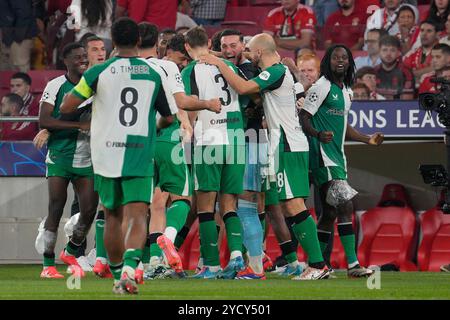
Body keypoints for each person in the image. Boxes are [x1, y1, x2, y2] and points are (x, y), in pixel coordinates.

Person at [200, 33, 332, 280]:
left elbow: (243, 87)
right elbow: (300, 86)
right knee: (285, 204)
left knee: (293, 205)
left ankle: (317, 264)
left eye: (249, 50)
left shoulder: (274, 72)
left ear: (259, 53)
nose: (247, 54)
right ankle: (313, 263)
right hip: (285, 144)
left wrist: (218, 64)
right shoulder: (281, 73)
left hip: (287, 144)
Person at [60, 18, 177, 294]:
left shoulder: (98, 72)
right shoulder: (152, 73)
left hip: (107, 152)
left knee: (111, 215)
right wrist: (155, 125)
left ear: (113, 41)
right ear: (138, 41)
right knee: (138, 214)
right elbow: (169, 117)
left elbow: (67, 106)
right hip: (138, 151)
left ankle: (117, 277)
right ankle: (128, 267)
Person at [135, 22, 221, 279]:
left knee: (154, 202)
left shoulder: (125, 68)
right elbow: (180, 100)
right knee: (182, 199)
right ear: (159, 43)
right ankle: (168, 241)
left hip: (137, 144)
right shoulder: (168, 67)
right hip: (166, 139)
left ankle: (152, 262)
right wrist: (206, 104)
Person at [300, 44, 384, 278]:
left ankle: (316, 265)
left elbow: (343, 126)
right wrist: (317, 134)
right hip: (321, 156)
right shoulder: (321, 87)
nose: (340, 61)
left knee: (329, 213)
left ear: (349, 62)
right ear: (327, 60)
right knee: (346, 204)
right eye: (336, 57)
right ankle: (353, 265)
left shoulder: (346, 90)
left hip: (337, 157)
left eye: (344, 58)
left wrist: (368, 139)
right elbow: (304, 116)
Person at [181, 26, 246, 279]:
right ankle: (237, 256)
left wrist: (189, 133)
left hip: (210, 137)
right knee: (229, 204)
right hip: (237, 137)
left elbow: (190, 105)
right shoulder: (231, 67)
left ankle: (211, 265)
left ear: (186, 47)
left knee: (206, 207)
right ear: (209, 42)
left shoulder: (189, 71)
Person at [38, 42, 98, 279]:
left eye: (85, 56)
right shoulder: (56, 85)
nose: (83, 60)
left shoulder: (95, 85)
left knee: (89, 209)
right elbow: (45, 120)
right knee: (56, 206)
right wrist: (79, 125)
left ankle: (71, 248)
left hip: (88, 156)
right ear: (66, 61)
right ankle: (47, 265)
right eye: (77, 57)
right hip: (60, 156)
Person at [0, 0, 38, 72]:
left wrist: (18, 37)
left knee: (21, 69)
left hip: (19, 36)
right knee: (7, 69)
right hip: (7, 35)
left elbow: (24, 12)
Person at [375, 35, 415, 100]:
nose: (388, 54)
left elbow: (407, 103)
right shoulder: (373, 72)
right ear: (379, 52)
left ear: (398, 53)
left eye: (392, 50)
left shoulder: (406, 73)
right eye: (384, 50)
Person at [403, 20, 440, 85]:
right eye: (422, 30)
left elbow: (440, 68)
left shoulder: (444, 52)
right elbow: (403, 72)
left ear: (437, 34)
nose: (424, 34)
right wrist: (429, 69)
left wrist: (415, 73)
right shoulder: (412, 53)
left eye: (429, 31)